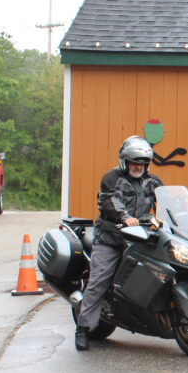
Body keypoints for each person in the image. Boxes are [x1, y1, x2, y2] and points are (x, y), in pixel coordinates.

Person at [75, 136, 162, 351]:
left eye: (142, 163)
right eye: (134, 162)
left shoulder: (153, 181)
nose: (138, 167)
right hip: (111, 238)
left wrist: (173, 217)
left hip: (139, 238)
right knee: (99, 280)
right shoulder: (112, 178)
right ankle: (83, 329)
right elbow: (109, 200)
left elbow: (166, 202)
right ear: (125, 161)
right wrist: (124, 216)